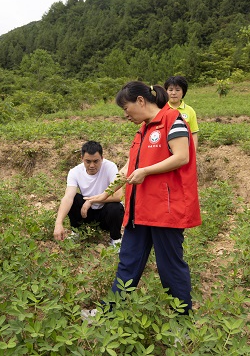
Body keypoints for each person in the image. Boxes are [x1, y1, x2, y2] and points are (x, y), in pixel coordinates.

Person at [86, 81, 201, 314]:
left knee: (170, 268)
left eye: (126, 108)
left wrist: (146, 171)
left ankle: (182, 323)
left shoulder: (173, 120)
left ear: (140, 101)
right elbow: (127, 169)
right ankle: (108, 314)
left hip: (165, 211)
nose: (125, 114)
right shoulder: (143, 130)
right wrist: (105, 193)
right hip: (140, 210)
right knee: (127, 264)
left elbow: (182, 156)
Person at [53, 141, 124, 247]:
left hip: (106, 215)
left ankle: (115, 238)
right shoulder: (75, 172)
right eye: (88, 161)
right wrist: (58, 223)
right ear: (82, 158)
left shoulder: (110, 167)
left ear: (102, 158)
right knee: (74, 199)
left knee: (116, 207)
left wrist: (91, 200)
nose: (92, 165)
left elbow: (119, 196)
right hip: (86, 213)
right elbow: (68, 197)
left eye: (96, 161)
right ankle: (76, 231)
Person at [164, 75, 199, 150]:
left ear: (183, 92)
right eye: (170, 90)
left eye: (177, 90)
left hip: (184, 152)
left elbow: (193, 133)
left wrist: (193, 153)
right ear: (166, 91)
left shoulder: (190, 111)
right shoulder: (160, 109)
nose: (173, 93)